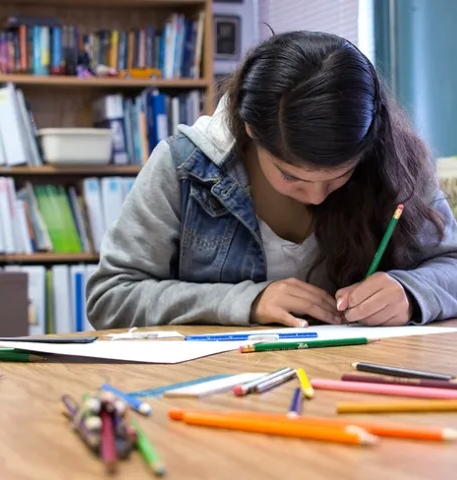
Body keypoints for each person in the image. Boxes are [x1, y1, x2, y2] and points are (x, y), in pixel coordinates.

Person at [86, 30, 457, 330]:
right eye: (290, 176)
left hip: (358, 382)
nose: (315, 197)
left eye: (340, 175)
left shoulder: (397, 162)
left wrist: (411, 293)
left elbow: (450, 263)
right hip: (220, 387)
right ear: (251, 131)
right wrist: (247, 301)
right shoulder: (183, 167)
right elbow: (111, 297)